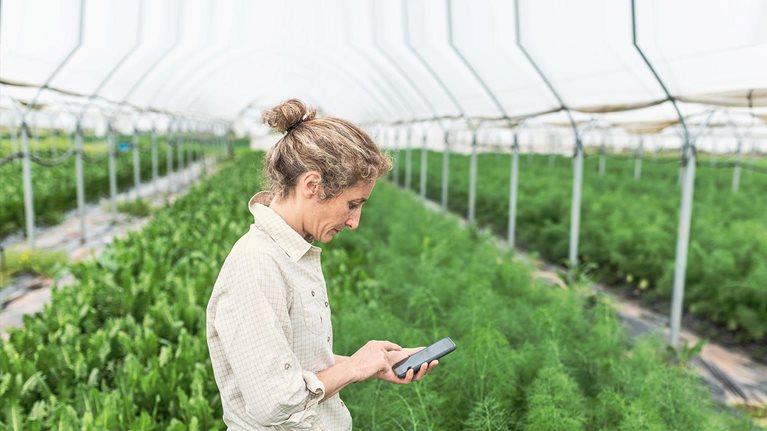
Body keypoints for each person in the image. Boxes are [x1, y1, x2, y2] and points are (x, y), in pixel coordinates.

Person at [206, 99, 439, 430]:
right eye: (352, 204)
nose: (354, 222)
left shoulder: (292, 254)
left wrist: (376, 363)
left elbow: (293, 363)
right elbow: (275, 401)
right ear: (312, 185)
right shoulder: (256, 264)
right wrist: (355, 368)